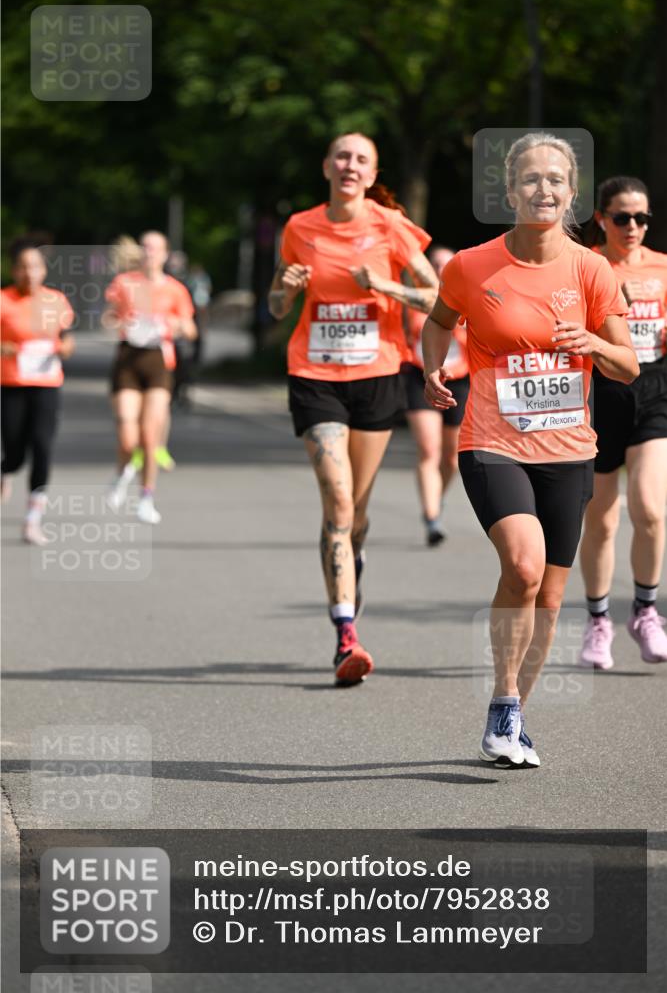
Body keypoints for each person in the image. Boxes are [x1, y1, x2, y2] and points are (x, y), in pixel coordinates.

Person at [422, 133, 638, 767]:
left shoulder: (592, 269)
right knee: (523, 566)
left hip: (570, 449)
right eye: (530, 180)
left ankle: (509, 711)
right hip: (492, 441)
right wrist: (433, 369)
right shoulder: (469, 265)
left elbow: (628, 364)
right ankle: (505, 706)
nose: (543, 190)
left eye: (555, 180)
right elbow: (439, 322)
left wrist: (592, 344)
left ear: (571, 194)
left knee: (549, 596)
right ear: (510, 191)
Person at [268, 132, 437, 686]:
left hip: (377, 376)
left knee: (357, 514)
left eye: (361, 159)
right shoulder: (299, 227)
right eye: (342, 156)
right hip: (315, 376)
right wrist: (285, 290)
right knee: (337, 500)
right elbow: (275, 305)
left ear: (372, 172)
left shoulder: (390, 227)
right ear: (326, 167)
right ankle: (346, 636)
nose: (350, 165)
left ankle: (349, 577)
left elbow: (435, 296)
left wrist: (385, 284)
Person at [578, 177, 667, 668]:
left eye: (642, 218)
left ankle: (646, 612)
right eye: (622, 217)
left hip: (654, 391)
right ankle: (598, 621)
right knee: (603, 519)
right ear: (602, 219)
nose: (632, 227)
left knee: (651, 511)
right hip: (600, 394)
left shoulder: (662, 267)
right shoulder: (588, 266)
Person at [102, 231, 196, 524]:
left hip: (158, 360)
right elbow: (107, 318)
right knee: (128, 438)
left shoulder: (175, 290)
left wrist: (175, 324)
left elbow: (191, 330)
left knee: (150, 435)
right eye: (145, 247)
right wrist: (120, 319)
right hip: (128, 359)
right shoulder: (125, 283)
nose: (149, 252)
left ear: (165, 254)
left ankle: (146, 497)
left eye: (155, 248)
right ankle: (121, 475)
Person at [1, 240, 75, 544]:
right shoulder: (3, 300)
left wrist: (63, 348)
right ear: (14, 269)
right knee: (16, 454)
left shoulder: (56, 301)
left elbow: (67, 341)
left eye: (35, 266)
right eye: (23, 266)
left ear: (43, 270)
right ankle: (6, 470)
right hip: (11, 384)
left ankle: (33, 519)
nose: (29, 272)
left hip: (46, 384)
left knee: (43, 447)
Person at [403, 246, 469, 545]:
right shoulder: (414, 300)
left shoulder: (468, 296)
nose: (441, 268)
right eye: (435, 263)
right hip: (420, 377)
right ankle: (431, 518)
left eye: (446, 263)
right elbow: (404, 334)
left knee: (452, 459)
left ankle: (436, 501)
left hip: (459, 378)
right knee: (428, 450)